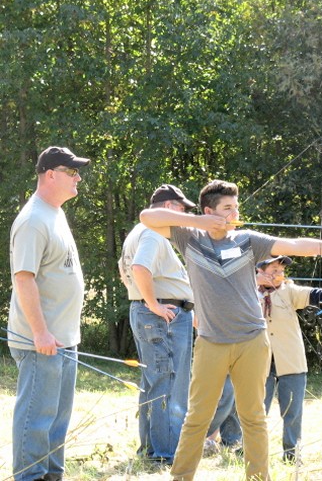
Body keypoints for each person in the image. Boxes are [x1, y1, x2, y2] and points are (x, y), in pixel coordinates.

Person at [140, 179, 322, 481]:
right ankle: (181, 477)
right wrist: (199, 220)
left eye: (236, 207)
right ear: (209, 211)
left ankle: (259, 478)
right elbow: (148, 217)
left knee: (254, 418)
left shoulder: (247, 240)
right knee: (197, 418)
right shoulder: (189, 238)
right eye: (227, 208)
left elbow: (296, 246)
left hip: (252, 341)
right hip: (211, 342)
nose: (234, 213)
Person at [209, 255, 322, 464]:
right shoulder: (246, 293)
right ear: (259, 272)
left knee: (293, 413)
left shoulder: (289, 291)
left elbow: (315, 294)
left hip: (291, 362)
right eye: (274, 270)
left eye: (281, 271)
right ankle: (249, 452)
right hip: (257, 364)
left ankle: (292, 456)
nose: (279, 275)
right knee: (254, 411)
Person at [7, 146, 90, 481]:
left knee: (57, 418)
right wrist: (40, 332)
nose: (78, 178)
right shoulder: (32, 219)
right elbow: (23, 278)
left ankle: (52, 475)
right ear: (51, 174)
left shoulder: (54, 212)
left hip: (64, 338)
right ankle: (29, 476)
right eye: (72, 172)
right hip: (40, 340)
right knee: (37, 417)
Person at [118, 184, 196, 465]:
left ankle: (152, 449)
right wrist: (153, 304)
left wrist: (145, 302)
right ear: (168, 207)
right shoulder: (152, 232)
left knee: (155, 382)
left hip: (151, 313)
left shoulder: (136, 233)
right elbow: (140, 268)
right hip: (164, 316)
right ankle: (166, 453)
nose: (185, 214)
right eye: (182, 208)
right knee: (170, 381)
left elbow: (123, 270)